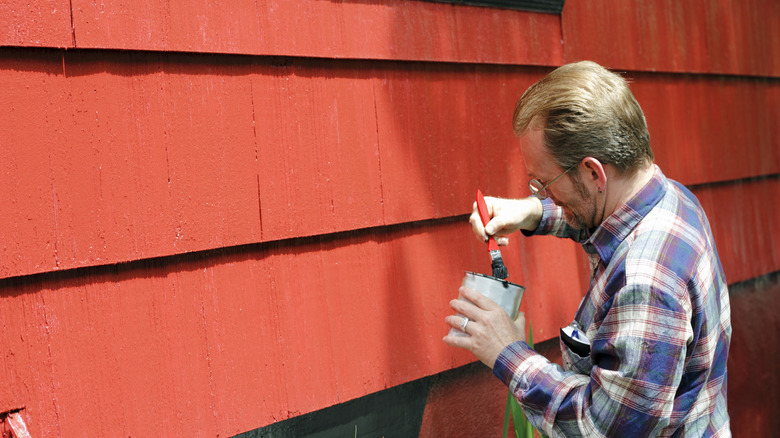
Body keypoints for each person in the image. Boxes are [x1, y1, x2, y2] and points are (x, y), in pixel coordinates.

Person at [443, 61, 731, 437]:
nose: (543, 193)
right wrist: (530, 212)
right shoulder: (672, 200)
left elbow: (605, 427)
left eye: (544, 182)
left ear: (594, 172)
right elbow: (607, 222)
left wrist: (507, 351)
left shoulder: (646, 282)